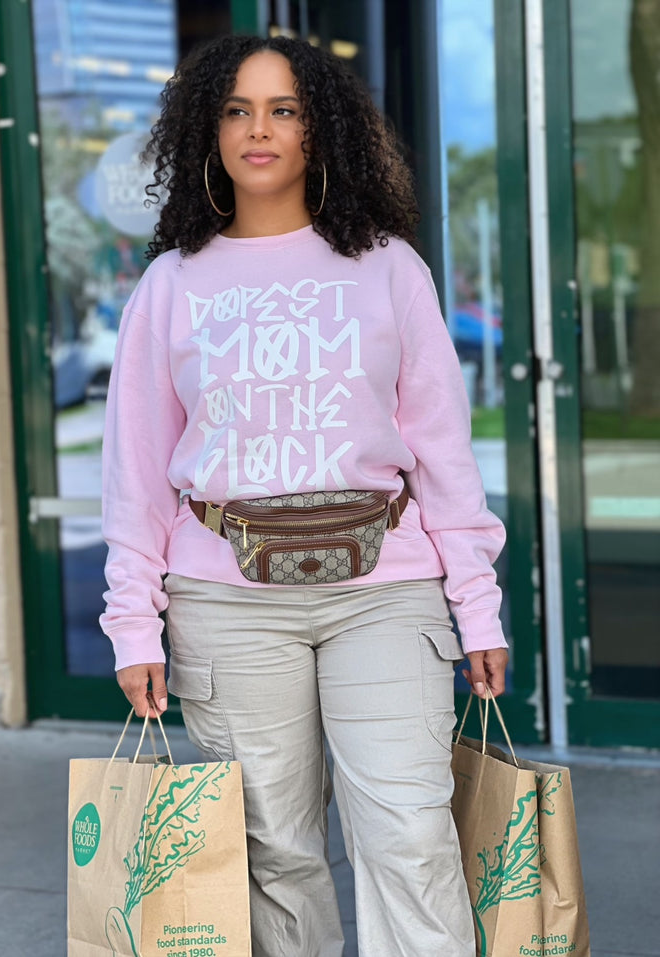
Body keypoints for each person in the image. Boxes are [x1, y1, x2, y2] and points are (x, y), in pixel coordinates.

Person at [100, 33, 508, 957]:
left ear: (320, 130)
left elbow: (443, 454)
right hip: (226, 603)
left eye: (284, 109)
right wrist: (134, 620)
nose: (260, 129)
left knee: (409, 836)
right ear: (208, 132)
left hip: (386, 590)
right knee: (275, 854)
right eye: (238, 109)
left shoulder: (389, 268)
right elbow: (136, 471)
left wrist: (476, 607)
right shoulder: (170, 287)